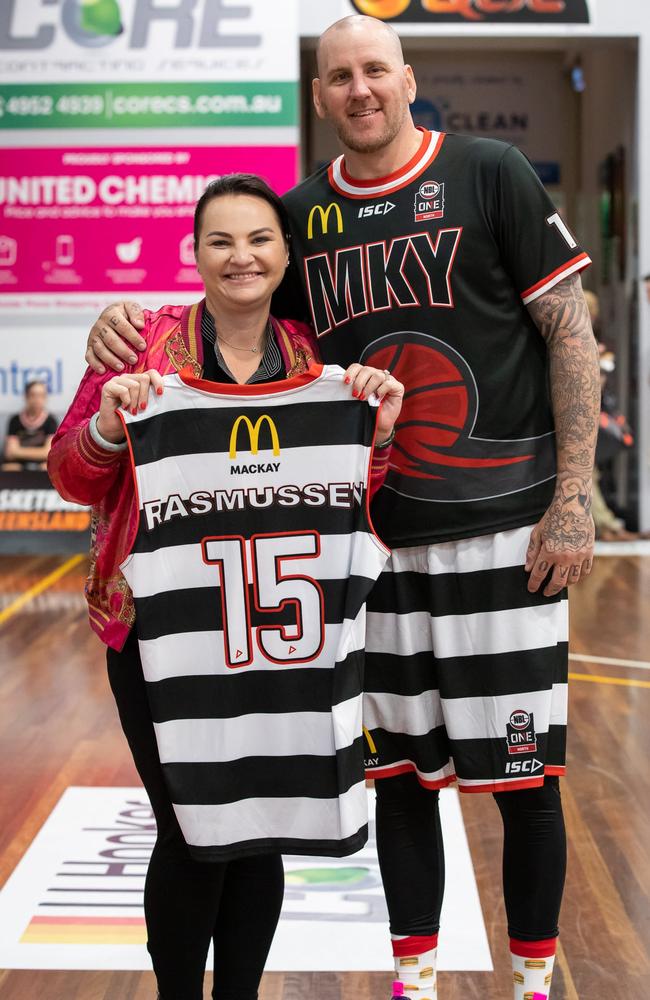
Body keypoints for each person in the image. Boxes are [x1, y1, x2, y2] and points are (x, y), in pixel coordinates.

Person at [81, 17, 601, 1000]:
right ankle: (414, 981)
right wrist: (130, 317)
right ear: (318, 98)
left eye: (374, 70)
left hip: (504, 525)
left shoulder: (489, 171)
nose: (358, 90)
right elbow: (237, 297)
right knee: (398, 781)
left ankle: (533, 986)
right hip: (367, 541)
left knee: (525, 779)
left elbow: (566, 334)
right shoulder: (303, 211)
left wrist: (574, 497)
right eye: (337, 78)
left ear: (405, 78)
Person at [49, 172, 404, 1000]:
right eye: (221, 240)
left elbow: (352, 496)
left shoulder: (314, 360)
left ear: (285, 256)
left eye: (258, 240)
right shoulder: (142, 343)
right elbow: (71, 473)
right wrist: (108, 422)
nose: (240, 256)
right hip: (158, 626)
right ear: (195, 253)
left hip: (274, 630)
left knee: (261, 827)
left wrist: (375, 437)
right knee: (189, 823)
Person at [2, 380, 57, 470]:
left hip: (41, 465)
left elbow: (48, 453)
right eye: (33, 395)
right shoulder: (15, 420)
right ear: (26, 396)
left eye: (41, 396)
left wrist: (18, 451)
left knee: (47, 468)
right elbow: (10, 452)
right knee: (10, 468)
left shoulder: (51, 421)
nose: (37, 400)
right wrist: (39, 453)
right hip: (19, 464)